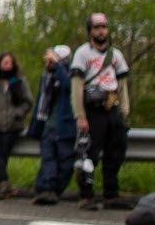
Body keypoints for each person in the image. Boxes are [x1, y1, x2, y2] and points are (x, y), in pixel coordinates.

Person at [71, 14, 131, 211]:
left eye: (104, 27)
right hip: (92, 109)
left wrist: (124, 111)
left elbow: (122, 85)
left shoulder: (116, 55)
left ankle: (111, 194)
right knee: (89, 155)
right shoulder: (82, 54)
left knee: (116, 152)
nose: (101, 31)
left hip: (111, 107)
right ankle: (86, 196)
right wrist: (80, 115)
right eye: (96, 27)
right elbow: (77, 86)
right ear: (90, 31)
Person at [30, 45, 76, 205]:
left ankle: (54, 190)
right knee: (48, 160)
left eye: (52, 60)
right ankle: (45, 190)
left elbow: (70, 87)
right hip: (48, 128)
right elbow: (40, 104)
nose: (48, 63)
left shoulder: (71, 74)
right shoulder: (47, 78)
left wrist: (57, 66)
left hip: (66, 128)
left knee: (65, 163)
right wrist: (35, 127)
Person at [0, 52, 32, 200]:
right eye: (5, 62)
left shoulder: (19, 81)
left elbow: (28, 101)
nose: (7, 65)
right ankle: (4, 183)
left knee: (3, 153)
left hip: (14, 124)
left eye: (9, 62)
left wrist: (18, 113)